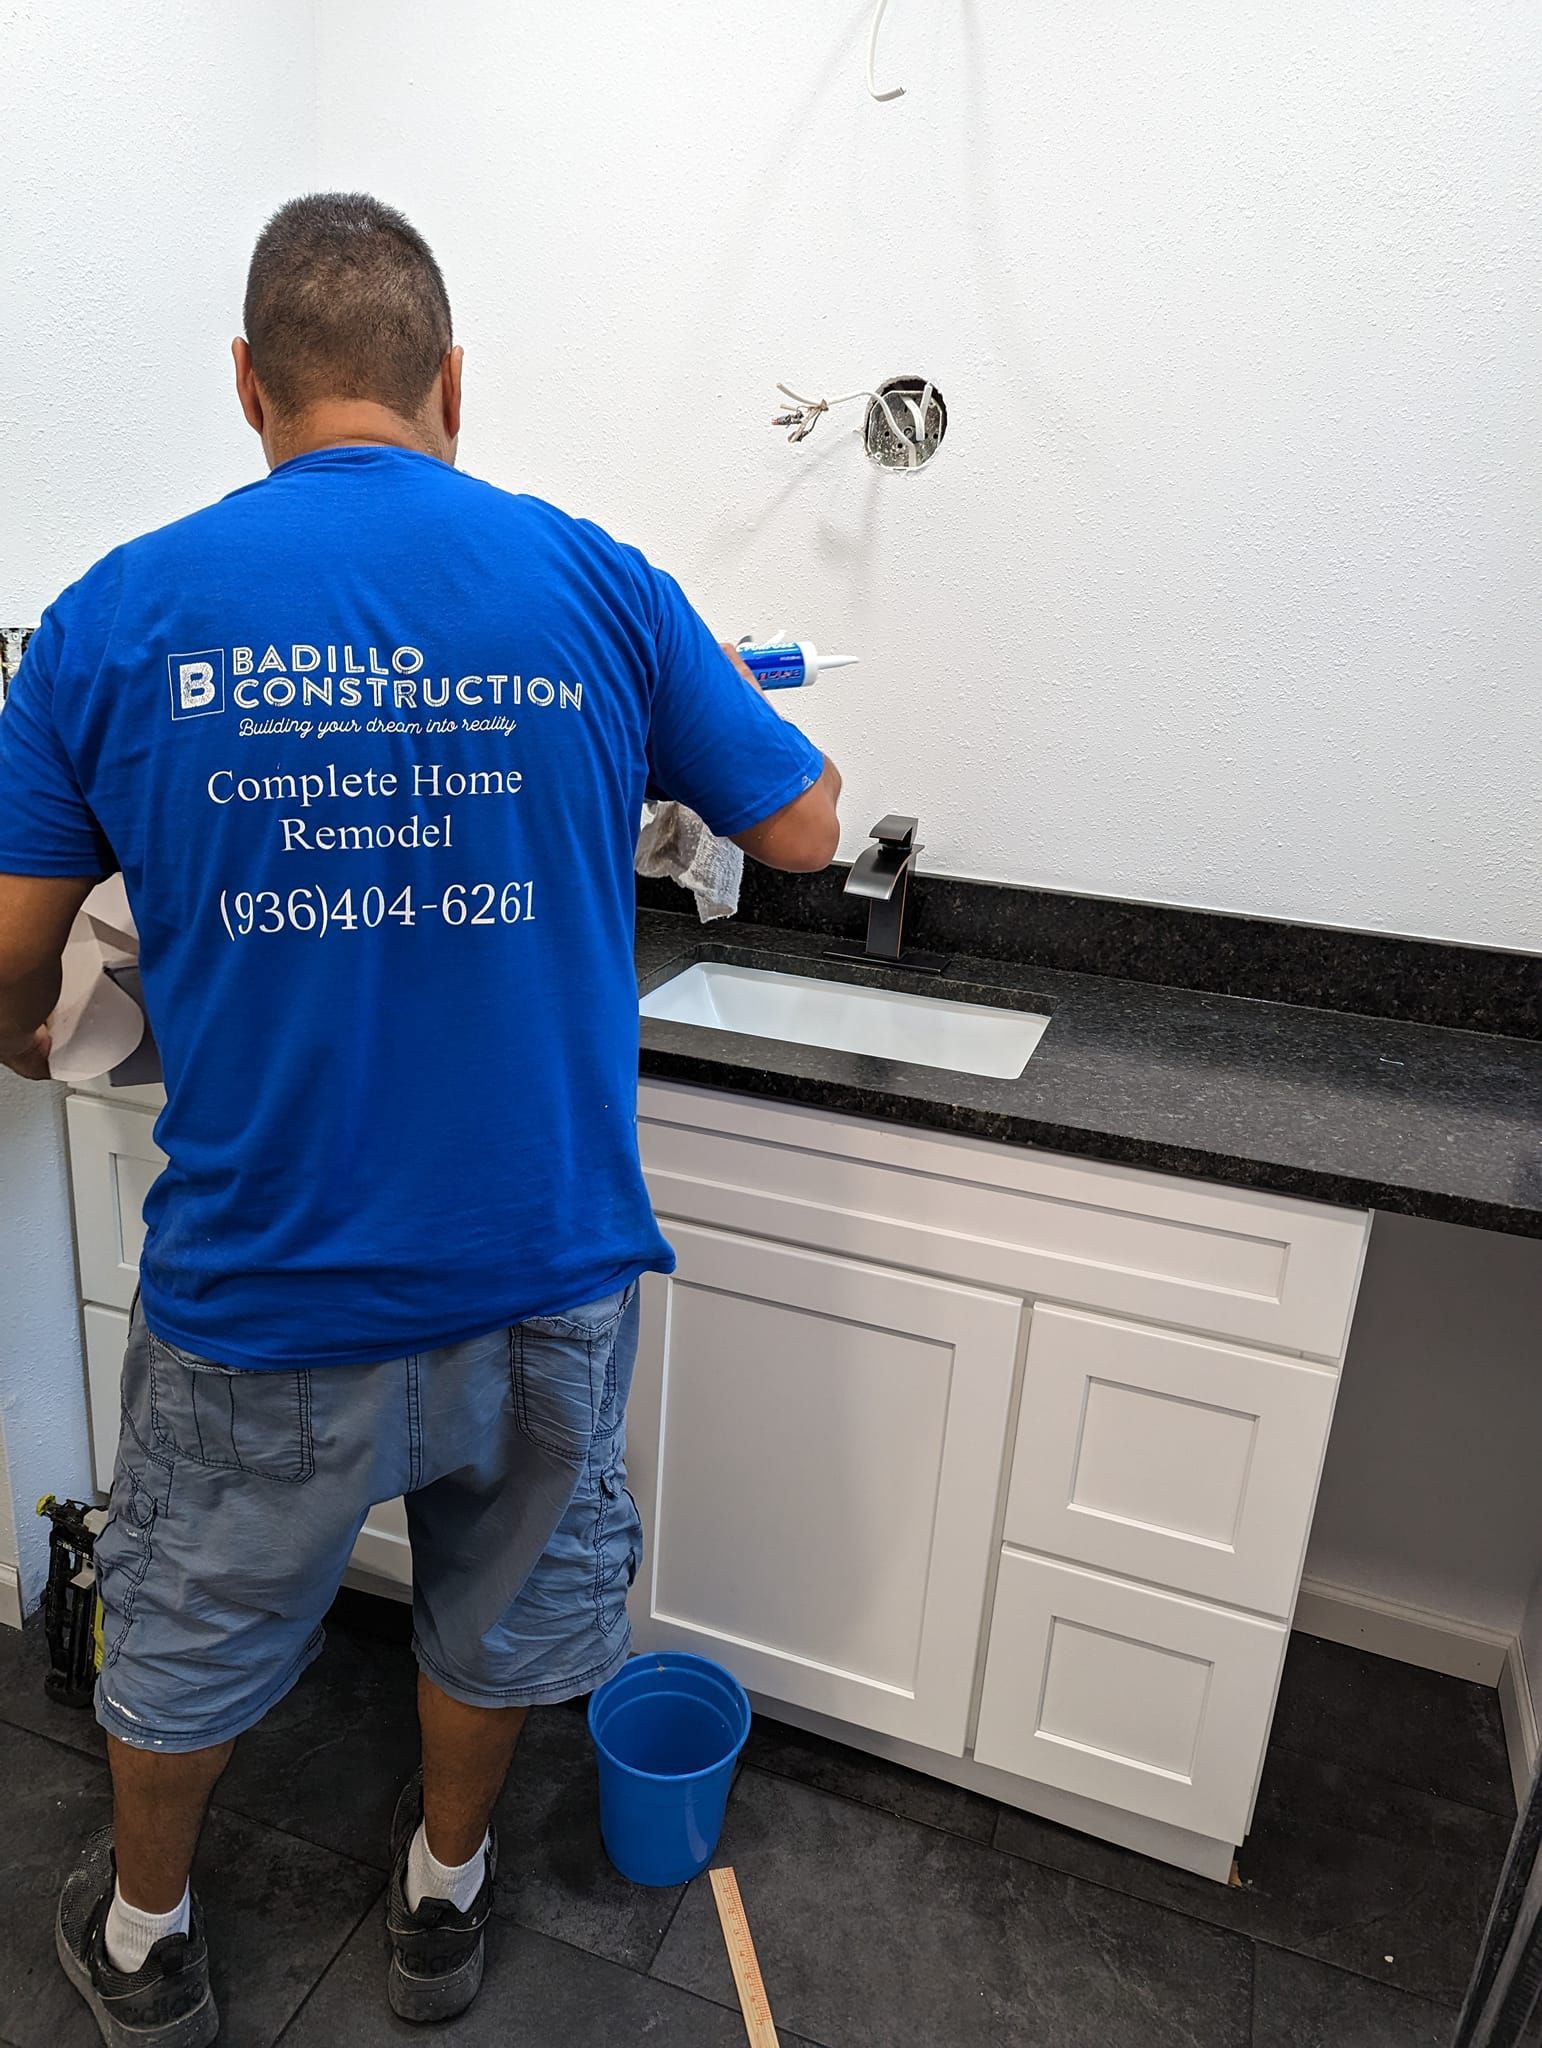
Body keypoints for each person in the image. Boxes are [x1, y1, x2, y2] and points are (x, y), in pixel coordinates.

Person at [0, 192, 841, 2043]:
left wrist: (20, 1032)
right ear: (451, 381)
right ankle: (442, 1903)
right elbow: (801, 830)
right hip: (543, 1260)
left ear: (247, 385)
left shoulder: (110, 618)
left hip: (270, 1274)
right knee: (503, 1603)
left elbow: (10, 950)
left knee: (194, 1626)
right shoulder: (595, 582)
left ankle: (149, 1944)